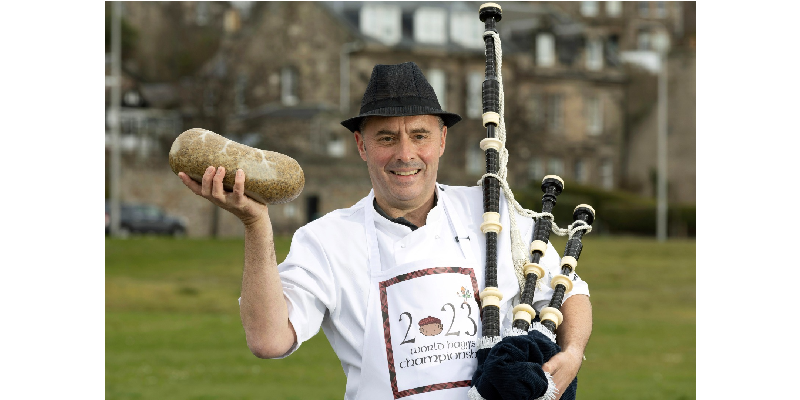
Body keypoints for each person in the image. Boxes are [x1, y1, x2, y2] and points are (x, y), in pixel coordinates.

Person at [178, 62, 591, 400]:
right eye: (387, 138)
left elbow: (569, 290)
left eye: (420, 135)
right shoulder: (326, 240)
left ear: (443, 140)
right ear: (361, 145)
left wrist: (572, 353)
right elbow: (268, 340)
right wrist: (255, 224)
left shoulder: (488, 210)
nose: (405, 154)